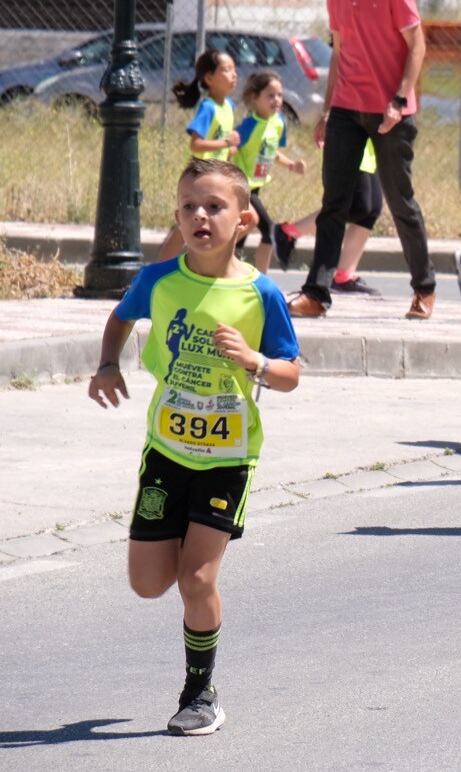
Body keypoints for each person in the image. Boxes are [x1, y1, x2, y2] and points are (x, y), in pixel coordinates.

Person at [86, 158, 302, 736]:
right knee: (148, 584)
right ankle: (180, 534)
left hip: (228, 460)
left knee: (197, 580)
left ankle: (200, 690)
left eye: (214, 206)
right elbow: (119, 317)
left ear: (244, 220)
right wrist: (108, 364)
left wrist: (256, 362)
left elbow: (290, 373)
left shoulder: (261, 295)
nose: (199, 216)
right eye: (188, 206)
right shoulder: (158, 280)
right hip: (167, 453)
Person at [288, 0, 434, 321]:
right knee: (334, 202)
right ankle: (317, 292)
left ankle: (423, 288)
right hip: (347, 110)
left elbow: (417, 45)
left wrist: (401, 98)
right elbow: (339, 54)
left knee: (400, 200)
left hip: (390, 113)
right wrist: (328, 109)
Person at [154, 49, 241, 261]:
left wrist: (228, 150)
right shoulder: (208, 108)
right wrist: (224, 142)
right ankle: (155, 272)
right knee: (182, 231)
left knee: (235, 221)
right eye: (227, 70)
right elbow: (196, 144)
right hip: (199, 177)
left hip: (217, 177)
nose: (234, 75)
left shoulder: (228, 105)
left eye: (234, 69)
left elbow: (219, 144)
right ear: (209, 78)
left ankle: (208, 260)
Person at [270, 139, 385, 296]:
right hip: (353, 140)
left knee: (372, 209)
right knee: (359, 206)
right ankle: (288, 232)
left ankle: (344, 277)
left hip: (372, 144)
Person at [232, 72, 308, 272]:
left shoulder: (279, 122)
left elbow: (271, 152)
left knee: (243, 232)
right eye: (270, 95)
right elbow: (230, 150)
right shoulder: (249, 126)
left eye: (280, 95)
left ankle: (231, 268)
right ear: (255, 98)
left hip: (257, 186)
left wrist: (291, 165)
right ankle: (260, 277)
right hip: (242, 185)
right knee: (269, 230)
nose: (277, 100)